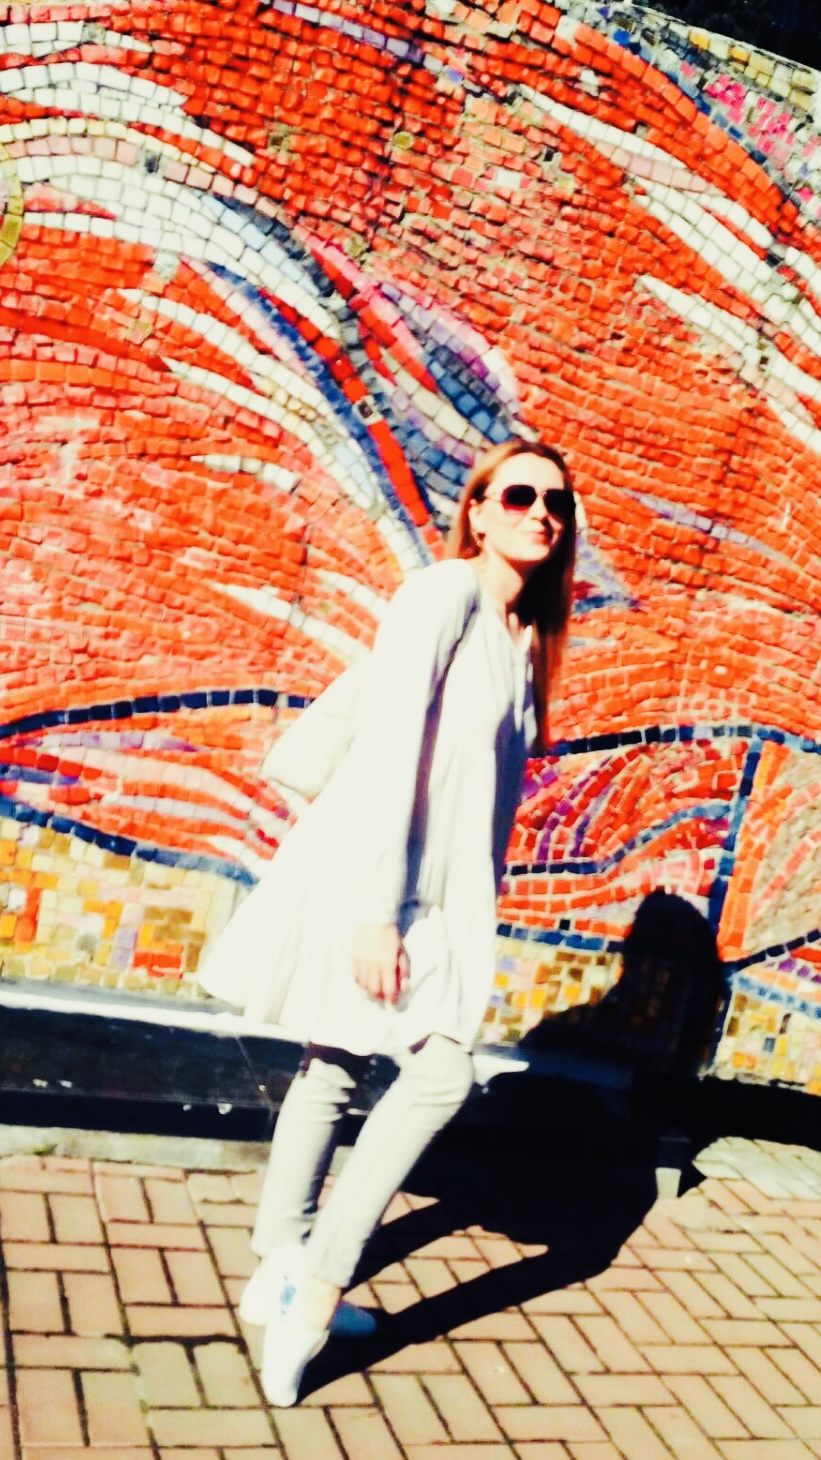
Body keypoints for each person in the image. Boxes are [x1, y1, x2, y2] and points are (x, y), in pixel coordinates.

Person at [199, 436, 577, 1406]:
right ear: (477, 510)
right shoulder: (444, 594)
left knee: (334, 1060)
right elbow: (393, 750)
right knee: (440, 1073)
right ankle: (315, 1291)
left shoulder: (522, 637)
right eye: (519, 495)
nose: (540, 513)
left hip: (434, 893)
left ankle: (277, 1263)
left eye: (556, 502)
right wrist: (378, 914)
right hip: (383, 881)